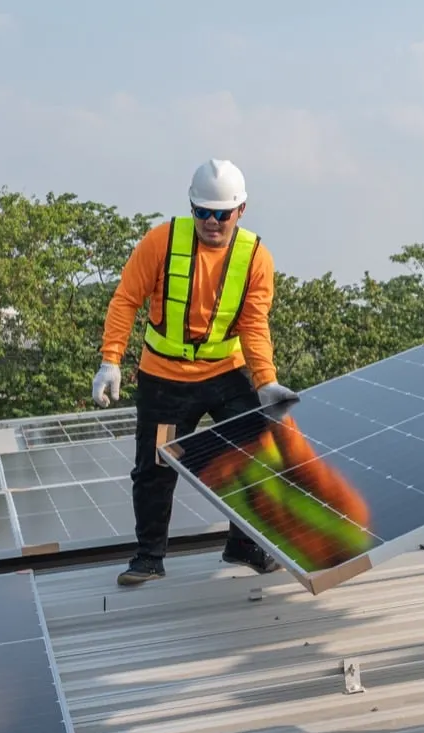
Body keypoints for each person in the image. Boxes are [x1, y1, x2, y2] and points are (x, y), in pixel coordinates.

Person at [94, 158, 297, 586]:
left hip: (225, 378)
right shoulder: (161, 242)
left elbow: (254, 324)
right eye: (202, 211)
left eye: (221, 214)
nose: (211, 222)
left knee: (256, 454)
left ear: (240, 210)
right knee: (157, 466)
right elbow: (125, 299)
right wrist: (110, 360)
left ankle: (243, 544)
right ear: (191, 206)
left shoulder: (255, 258)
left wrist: (266, 382)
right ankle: (149, 557)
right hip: (165, 382)